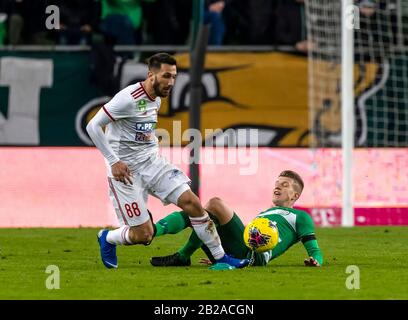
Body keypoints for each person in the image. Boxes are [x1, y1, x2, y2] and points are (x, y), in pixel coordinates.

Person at [86, 53, 249, 269]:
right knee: (143, 235)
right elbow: (93, 126)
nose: (171, 82)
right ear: (150, 74)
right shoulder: (128, 98)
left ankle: (221, 259)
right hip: (125, 172)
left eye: (174, 77)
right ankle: (107, 238)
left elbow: (140, 131)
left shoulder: (157, 98)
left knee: (194, 204)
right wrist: (113, 161)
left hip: (152, 163)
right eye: (166, 76)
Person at [150, 170, 323, 267]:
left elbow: (314, 250)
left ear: (295, 195)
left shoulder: (300, 217)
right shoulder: (264, 214)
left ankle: (182, 255)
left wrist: (316, 261)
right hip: (237, 251)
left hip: (254, 256)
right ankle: (153, 231)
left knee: (214, 204)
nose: (278, 187)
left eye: (284, 185)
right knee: (199, 214)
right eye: (277, 183)